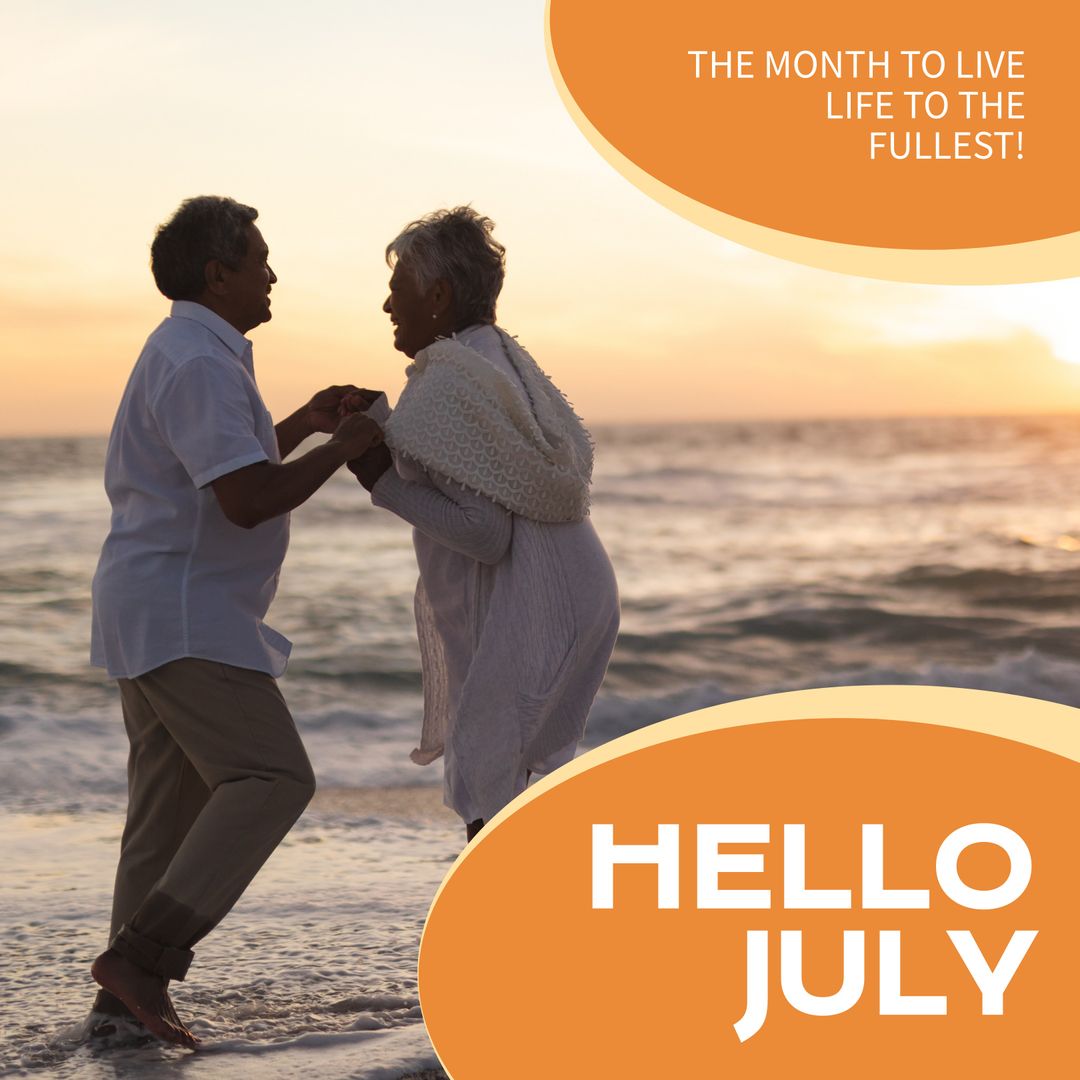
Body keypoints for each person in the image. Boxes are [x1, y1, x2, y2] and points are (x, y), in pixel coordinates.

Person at [87, 195, 381, 1048]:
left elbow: (221, 467)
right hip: (188, 616)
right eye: (258, 258)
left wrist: (302, 424)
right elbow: (246, 501)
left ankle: (118, 1015)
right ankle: (143, 961)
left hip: (154, 611)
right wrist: (346, 447)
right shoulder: (202, 363)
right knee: (271, 779)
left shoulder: (189, 350)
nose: (271, 272)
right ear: (218, 274)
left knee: (165, 817)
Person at [346, 206, 619, 842]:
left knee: (493, 791)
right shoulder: (494, 361)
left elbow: (483, 531)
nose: (388, 305)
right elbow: (477, 465)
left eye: (398, 288)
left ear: (437, 296)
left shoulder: (446, 381)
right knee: (524, 786)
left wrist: (375, 476)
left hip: (541, 600)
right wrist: (388, 427)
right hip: (577, 591)